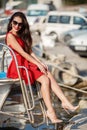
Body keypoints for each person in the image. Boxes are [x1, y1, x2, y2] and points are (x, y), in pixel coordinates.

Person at [6, 11, 79, 124]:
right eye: (15, 23)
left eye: (20, 24)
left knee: (47, 72)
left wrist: (40, 62)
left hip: (27, 63)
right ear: (11, 22)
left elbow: (30, 51)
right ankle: (51, 112)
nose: (17, 26)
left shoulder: (20, 34)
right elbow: (23, 53)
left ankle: (65, 102)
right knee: (45, 80)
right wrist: (37, 64)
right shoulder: (10, 36)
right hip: (19, 66)